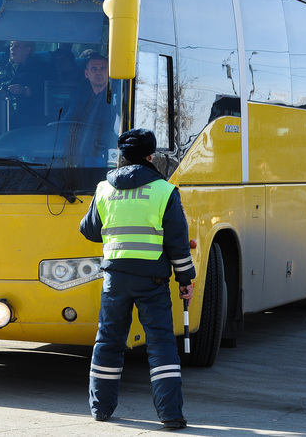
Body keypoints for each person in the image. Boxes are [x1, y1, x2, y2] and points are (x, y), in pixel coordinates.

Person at [79, 128, 196, 430]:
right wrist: (186, 278)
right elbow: (177, 243)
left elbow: (89, 230)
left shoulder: (104, 188)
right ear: (151, 156)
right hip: (152, 281)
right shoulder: (164, 191)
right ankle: (170, 414)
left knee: (108, 340)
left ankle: (100, 409)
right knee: (160, 345)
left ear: (122, 155)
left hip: (115, 279)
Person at [0, 40, 49, 128]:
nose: (12, 49)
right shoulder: (1, 64)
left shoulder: (40, 67)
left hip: (26, 117)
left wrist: (23, 90)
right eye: (11, 45)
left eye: (17, 46)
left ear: (28, 50)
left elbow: (43, 93)